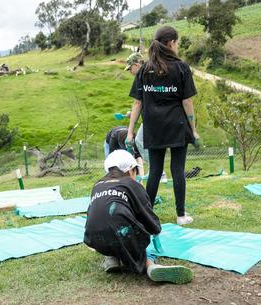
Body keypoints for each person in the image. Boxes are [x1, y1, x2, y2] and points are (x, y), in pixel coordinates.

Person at [84, 149, 193, 284]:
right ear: (130, 170)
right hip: (121, 233)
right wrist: (155, 229)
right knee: (137, 241)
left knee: (110, 228)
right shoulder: (132, 184)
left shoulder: (97, 185)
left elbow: (95, 213)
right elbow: (145, 213)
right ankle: (151, 266)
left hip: (93, 238)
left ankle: (111, 259)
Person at [127, 26, 200, 226]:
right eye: (177, 42)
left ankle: (146, 215)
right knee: (178, 170)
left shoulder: (144, 70)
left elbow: (137, 103)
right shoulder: (181, 67)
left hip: (154, 128)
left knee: (156, 171)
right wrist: (193, 128)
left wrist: (131, 131)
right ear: (171, 43)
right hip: (177, 127)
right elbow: (187, 102)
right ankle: (181, 215)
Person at [124, 52, 168, 183]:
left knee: (139, 140)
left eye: (130, 68)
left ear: (137, 65)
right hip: (164, 116)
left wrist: (130, 131)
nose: (130, 72)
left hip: (153, 119)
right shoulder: (157, 72)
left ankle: (159, 172)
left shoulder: (141, 76)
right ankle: (158, 172)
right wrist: (134, 114)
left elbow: (138, 102)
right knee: (148, 144)